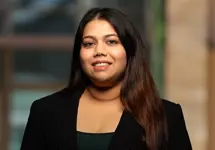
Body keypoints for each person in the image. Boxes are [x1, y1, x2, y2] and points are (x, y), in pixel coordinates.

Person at [20, 7, 192, 150]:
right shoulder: (45, 112)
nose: (99, 51)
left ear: (129, 51)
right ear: (79, 54)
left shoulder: (166, 116)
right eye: (89, 43)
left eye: (111, 42)